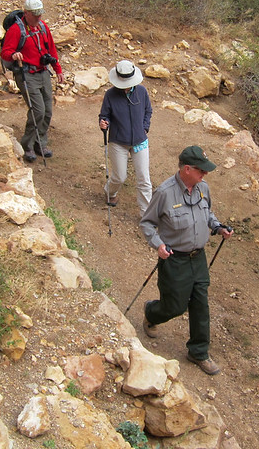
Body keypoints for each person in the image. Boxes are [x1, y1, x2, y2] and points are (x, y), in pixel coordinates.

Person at [139, 145, 234, 375]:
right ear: (187, 169)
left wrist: (218, 227)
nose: (205, 175)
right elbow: (147, 223)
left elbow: (207, 213)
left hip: (198, 258)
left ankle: (198, 352)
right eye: (201, 171)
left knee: (201, 304)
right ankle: (152, 313)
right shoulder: (164, 192)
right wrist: (158, 245)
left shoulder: (203, 188)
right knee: (175, 306)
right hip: (175, 261)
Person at [0, 0, 64, 162]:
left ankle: (40, 142)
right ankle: (27, 145)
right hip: (26, 74)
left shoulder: (42, 27)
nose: (38, 18)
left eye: (40, 14)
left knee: (47, 111)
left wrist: (58, 69)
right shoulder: (16, 30)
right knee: (38, 110)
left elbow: (51, 49)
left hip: (43, 72)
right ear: (26, 13)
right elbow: (5, 52)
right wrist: (14, 54)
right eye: (35, 15)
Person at [98, 60, 153, 213]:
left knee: (144, 180)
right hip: (118, 142)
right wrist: (104, 123)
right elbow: (105, 115)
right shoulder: (110, 95)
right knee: (119, 177)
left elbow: (148, 111)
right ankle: (110, 192)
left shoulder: (142, 91)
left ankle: (146, 215)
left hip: (140, 141)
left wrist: (144, 128)